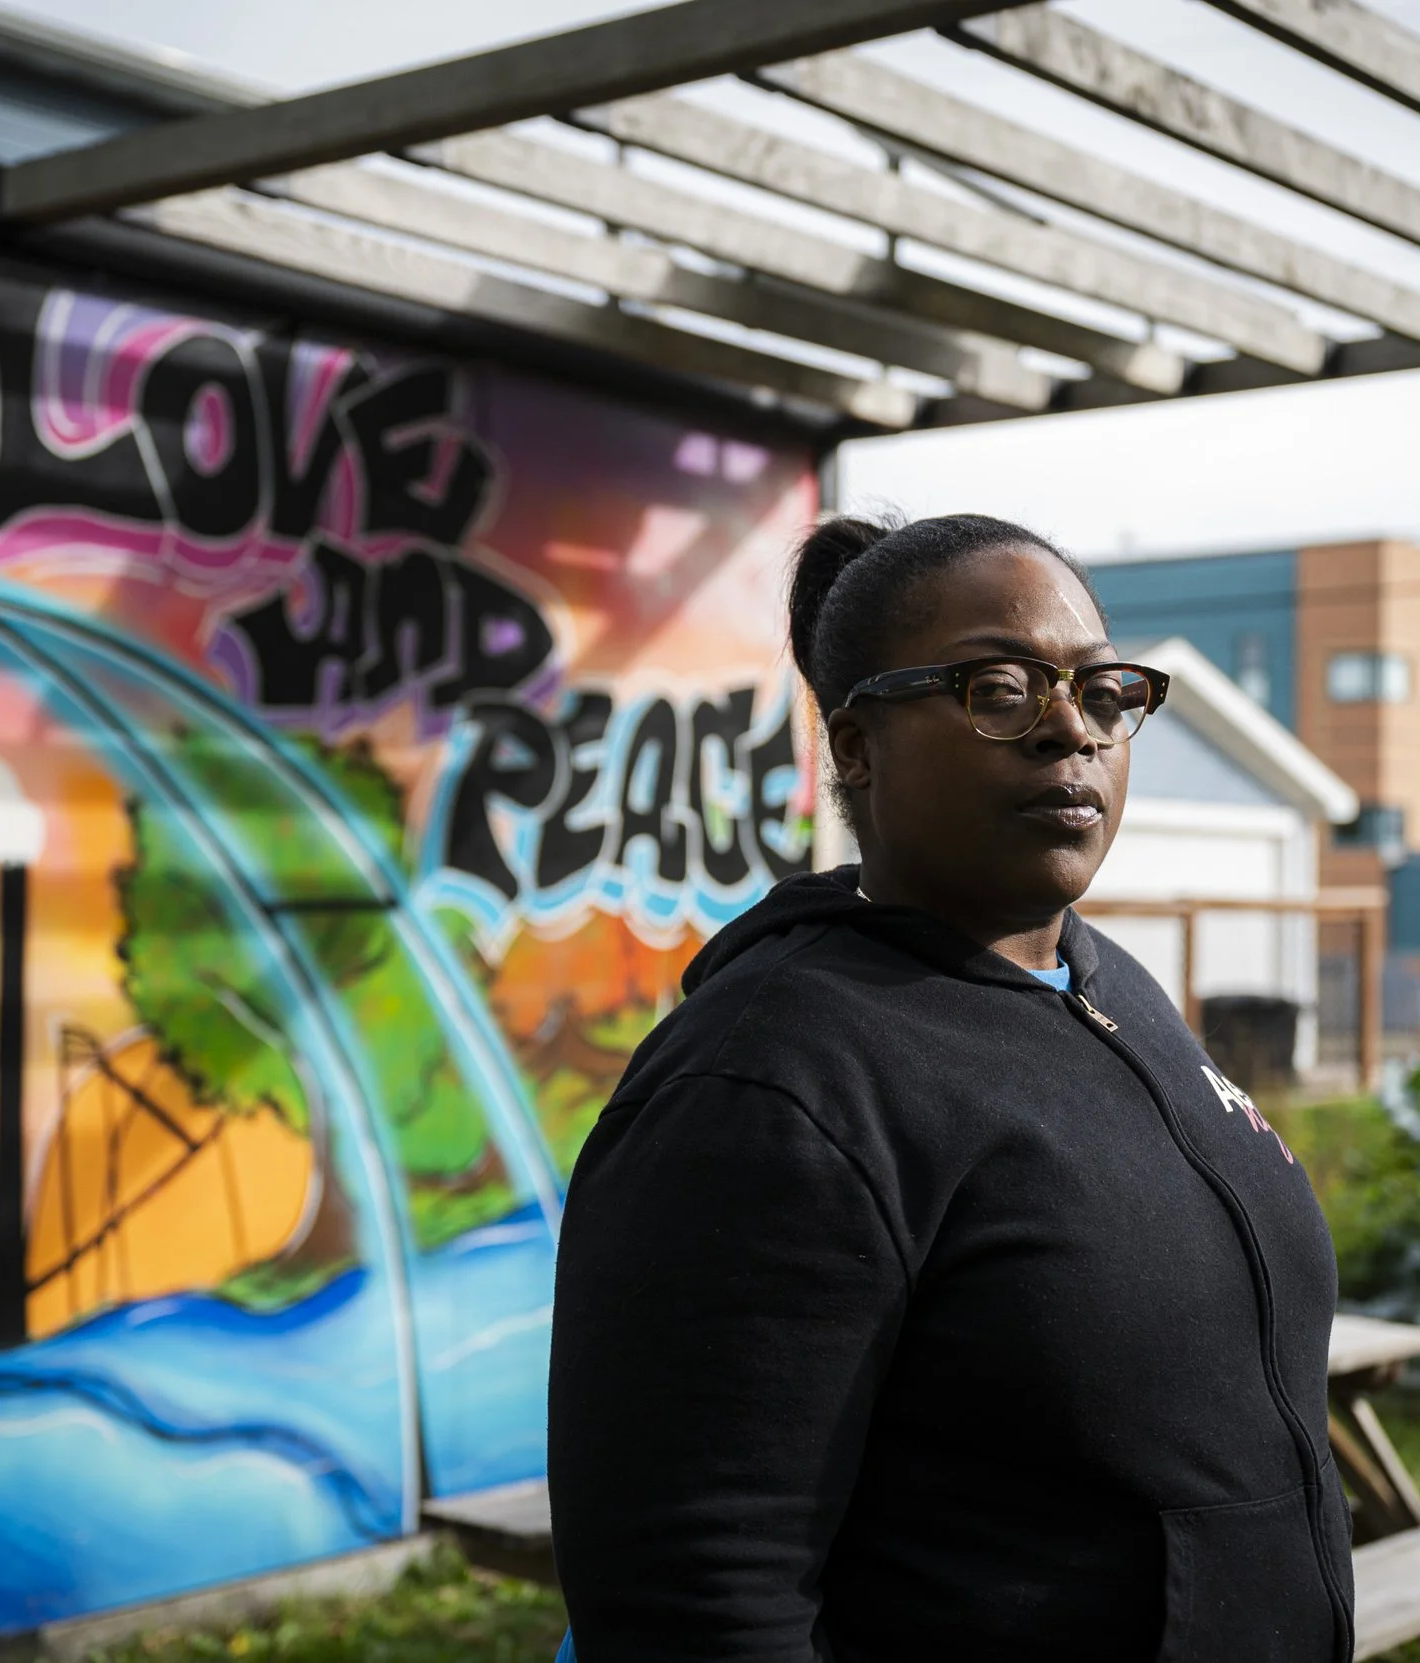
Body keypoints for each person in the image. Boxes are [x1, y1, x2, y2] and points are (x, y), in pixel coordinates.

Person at [547, 514, 1354, 1662]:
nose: (1068, 727)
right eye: (999, 688)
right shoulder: (769, 1085)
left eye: (1101, 690)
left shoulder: (1104, 981)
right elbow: (695, 1600)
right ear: (858, 742)